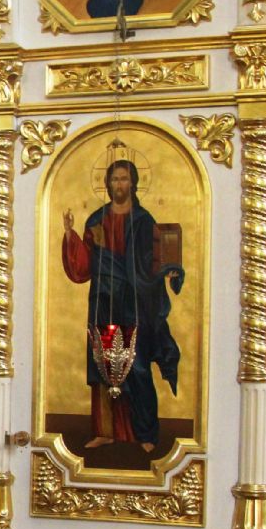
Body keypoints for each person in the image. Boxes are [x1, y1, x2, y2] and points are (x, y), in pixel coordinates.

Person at [61, 158, 181, 454]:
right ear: (107, 184)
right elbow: (83, 267)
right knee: (102, 363)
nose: (119, 184)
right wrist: (70, 236)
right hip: (102, 300)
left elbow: (155, 258)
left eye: (124, 179)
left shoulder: (143, 221)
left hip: (133, 302)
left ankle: (146, 432)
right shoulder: (96, 220)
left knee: (137, 366)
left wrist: (169, 270)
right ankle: (104, 431)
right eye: (114, 179)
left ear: (134, 183)